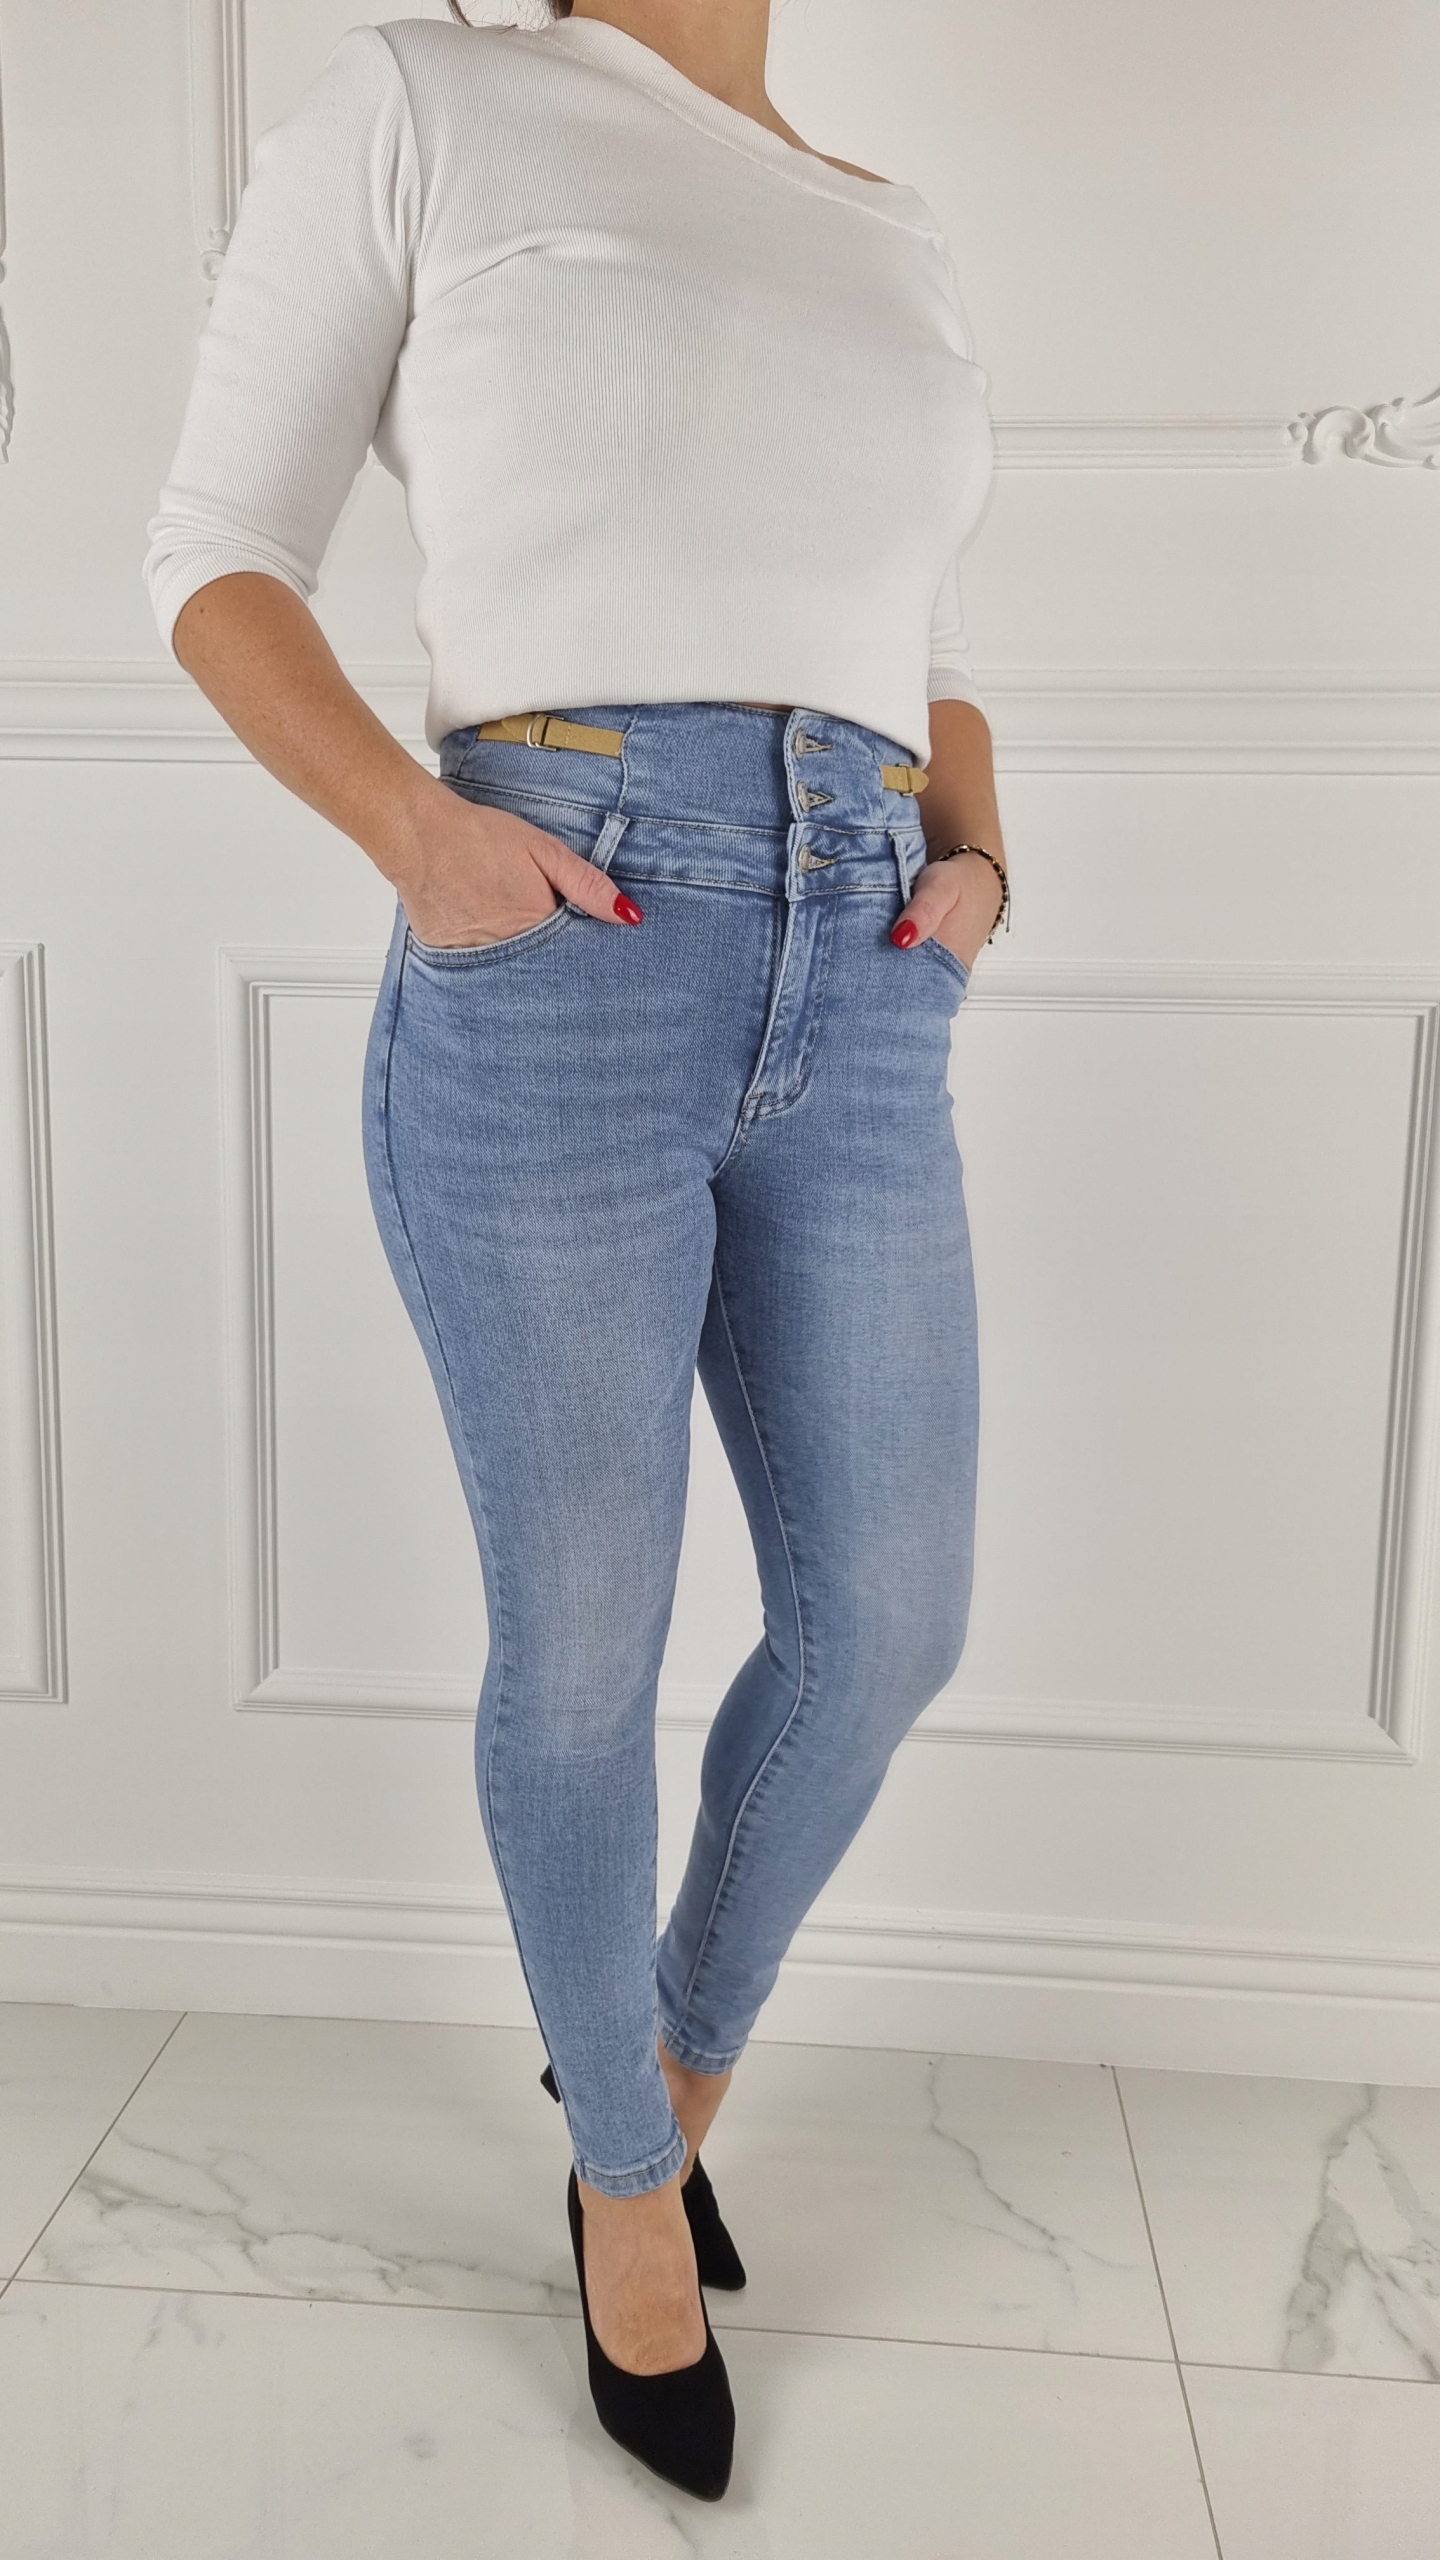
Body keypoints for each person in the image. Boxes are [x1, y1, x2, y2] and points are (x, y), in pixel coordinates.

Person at [144, 0, 1007, 2503]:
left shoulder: (890, 228)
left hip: (868, 959)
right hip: (564, 941)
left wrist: (979, 861)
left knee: (891, 1612)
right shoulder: (426, 100)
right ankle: (630, 2187)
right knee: (588, 1637)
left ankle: (662, 2068)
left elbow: (931, 646)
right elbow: (212, 554)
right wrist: (424, 842)